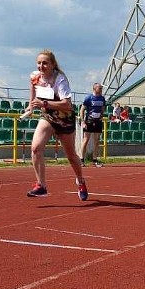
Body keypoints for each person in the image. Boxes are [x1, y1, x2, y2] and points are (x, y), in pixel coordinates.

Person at [25, 50, 88, 201]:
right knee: (35, 148)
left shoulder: (60, 80)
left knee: (71, 156)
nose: (41, 66)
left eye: (45, 63)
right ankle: (41, 185)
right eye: (39, 63)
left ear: (53, 65)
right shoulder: (34, 76)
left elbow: (67, 105)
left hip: (64, 120)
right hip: (47, 117)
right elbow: (33, 89)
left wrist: (44, 103)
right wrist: (31, 105)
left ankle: (80, 181)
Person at [79, 82, 106, 167]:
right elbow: (82, 110)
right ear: (94, 89)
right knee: (86, 140)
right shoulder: (89, 98)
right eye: (100, 88)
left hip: (98, 121)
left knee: (97, 141)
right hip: (89, 121)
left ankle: (95, 159)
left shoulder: (102, 98)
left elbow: (103, 108)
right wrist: (83, 121)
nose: (101, 90)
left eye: (101, 88)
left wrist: (101, 115)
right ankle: (81, 159)